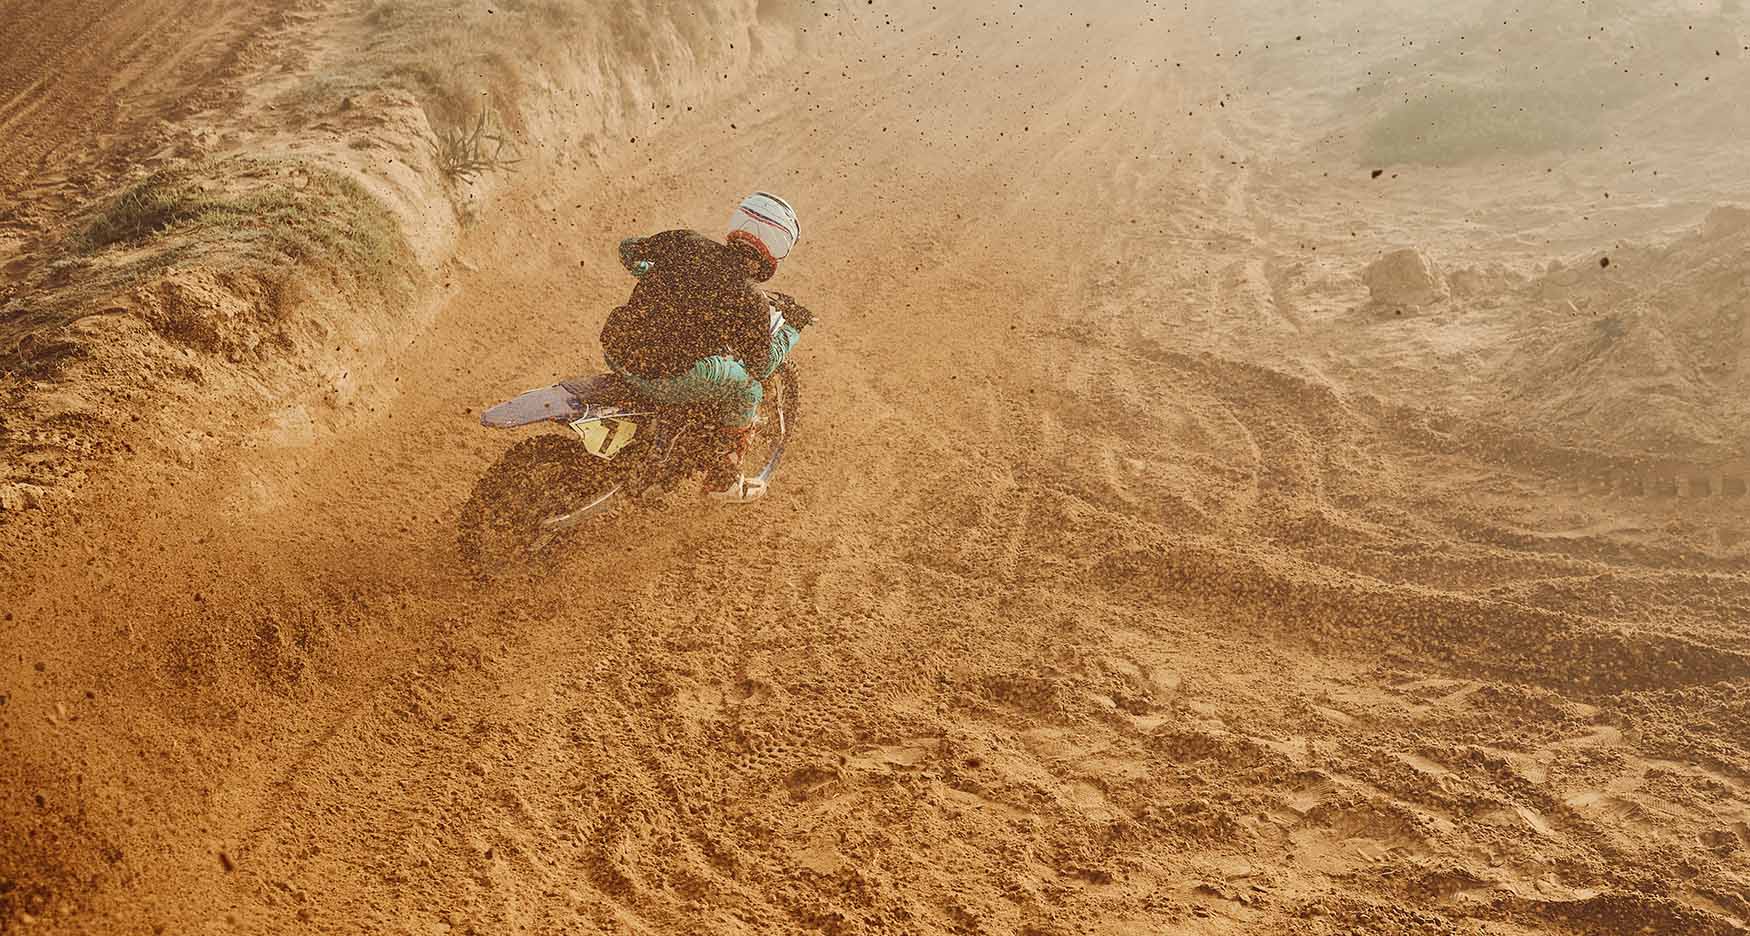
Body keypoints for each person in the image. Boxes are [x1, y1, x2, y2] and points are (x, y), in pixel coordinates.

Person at [599, 192, 815, 503]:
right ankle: (723, 480)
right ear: (775, 251)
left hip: (617, 352)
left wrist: (657, 276)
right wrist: (792, 329)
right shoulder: (750, 297)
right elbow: (762, 366)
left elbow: (628, 250)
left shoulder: (685, 242)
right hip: (667, 379)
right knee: (749, 388)